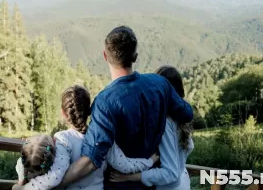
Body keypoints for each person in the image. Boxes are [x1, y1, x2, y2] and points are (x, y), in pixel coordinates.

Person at [59, 26, 194, 189]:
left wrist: (56, 185)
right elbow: (187, 114)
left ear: (104, 56)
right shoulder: (160, 85)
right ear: (135, 56)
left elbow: (90, 160)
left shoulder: (104, 102)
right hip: (149, 184)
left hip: (117, 185)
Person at [13, 85, 159, 190]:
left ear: (63, 113)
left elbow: (55, 176)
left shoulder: (62, 140)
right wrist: (150, 160)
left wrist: (24, 188)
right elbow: (125, 165)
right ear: (89, 111)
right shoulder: (104, 137)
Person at [110, 65, 194, 190]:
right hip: (184, 183)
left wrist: (130, 177)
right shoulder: (181, 119)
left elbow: (170, 173)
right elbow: (185, 152)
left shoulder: (165, 123)